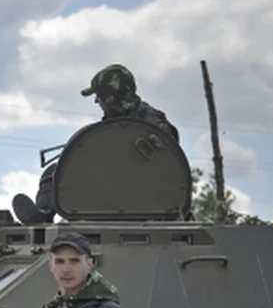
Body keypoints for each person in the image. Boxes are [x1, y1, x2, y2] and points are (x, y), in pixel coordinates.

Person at [14, 63, 180, 225]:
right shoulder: (121, 120)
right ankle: (42, 216)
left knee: (55, 172)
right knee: (55, 171)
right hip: (119, 189)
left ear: (110, 98)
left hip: (136, 192)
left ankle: (44, 213)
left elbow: (166, 160)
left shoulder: (151, 123)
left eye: (99, 96)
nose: (96, 101)